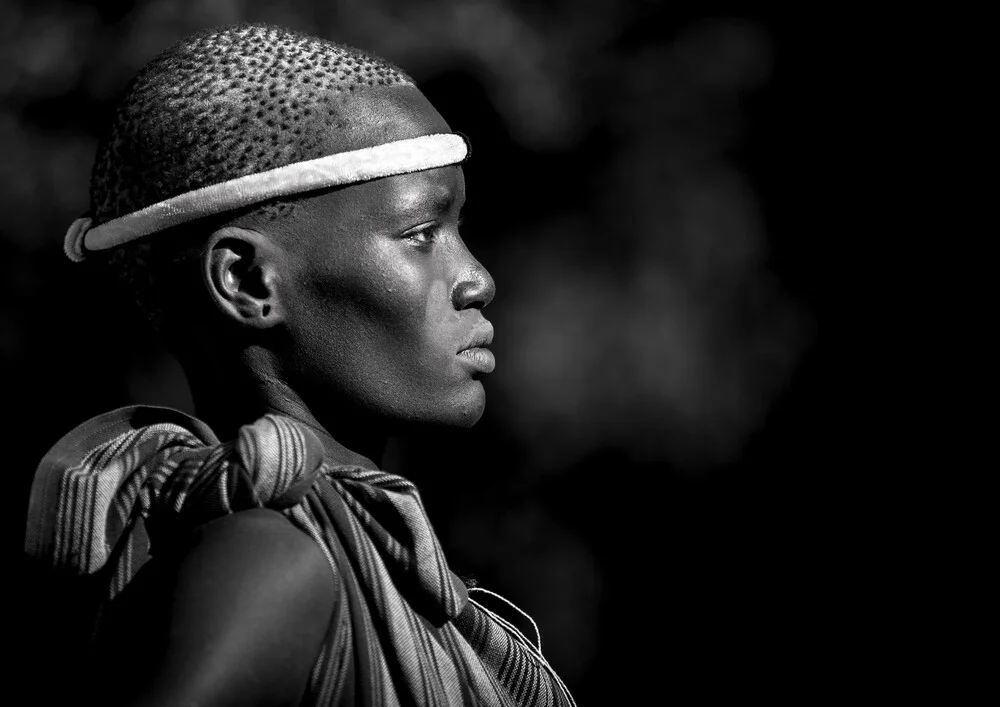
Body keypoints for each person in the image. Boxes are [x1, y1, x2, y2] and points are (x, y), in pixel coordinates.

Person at [23, 23, 575, 707]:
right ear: (249, 282)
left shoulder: (384, 577)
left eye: (461, 230)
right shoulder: (270, 563)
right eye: (420, 234)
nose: (477, 279)